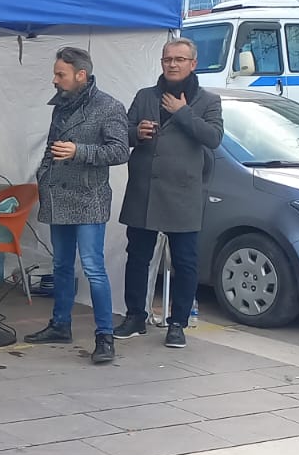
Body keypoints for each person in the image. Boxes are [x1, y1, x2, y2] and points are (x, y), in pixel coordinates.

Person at [24, 47, 129, 364]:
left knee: (94, 268)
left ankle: (105, 336)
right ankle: (60, 324)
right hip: (59, 195)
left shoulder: (109, 107)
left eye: (61, 75)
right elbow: (51, 147)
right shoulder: (61, 106)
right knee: (60, 266)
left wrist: (79, 151)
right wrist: (44, 175)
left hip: (87, 199)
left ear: (80, 75)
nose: (55, 80)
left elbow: (119, 152)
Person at [118, 37, 224, 349]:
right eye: (168, 59)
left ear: (193, 64)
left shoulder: (207, 101)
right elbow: (121, 132)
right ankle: (135, 315)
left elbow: (214, 137)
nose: (173, 65)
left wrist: (181, 112)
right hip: (145, 190)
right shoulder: (145, 96)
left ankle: (177, 322)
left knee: (185, 261)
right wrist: (136, 133)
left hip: (182, 193)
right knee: (137, 257)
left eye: (179, 60)